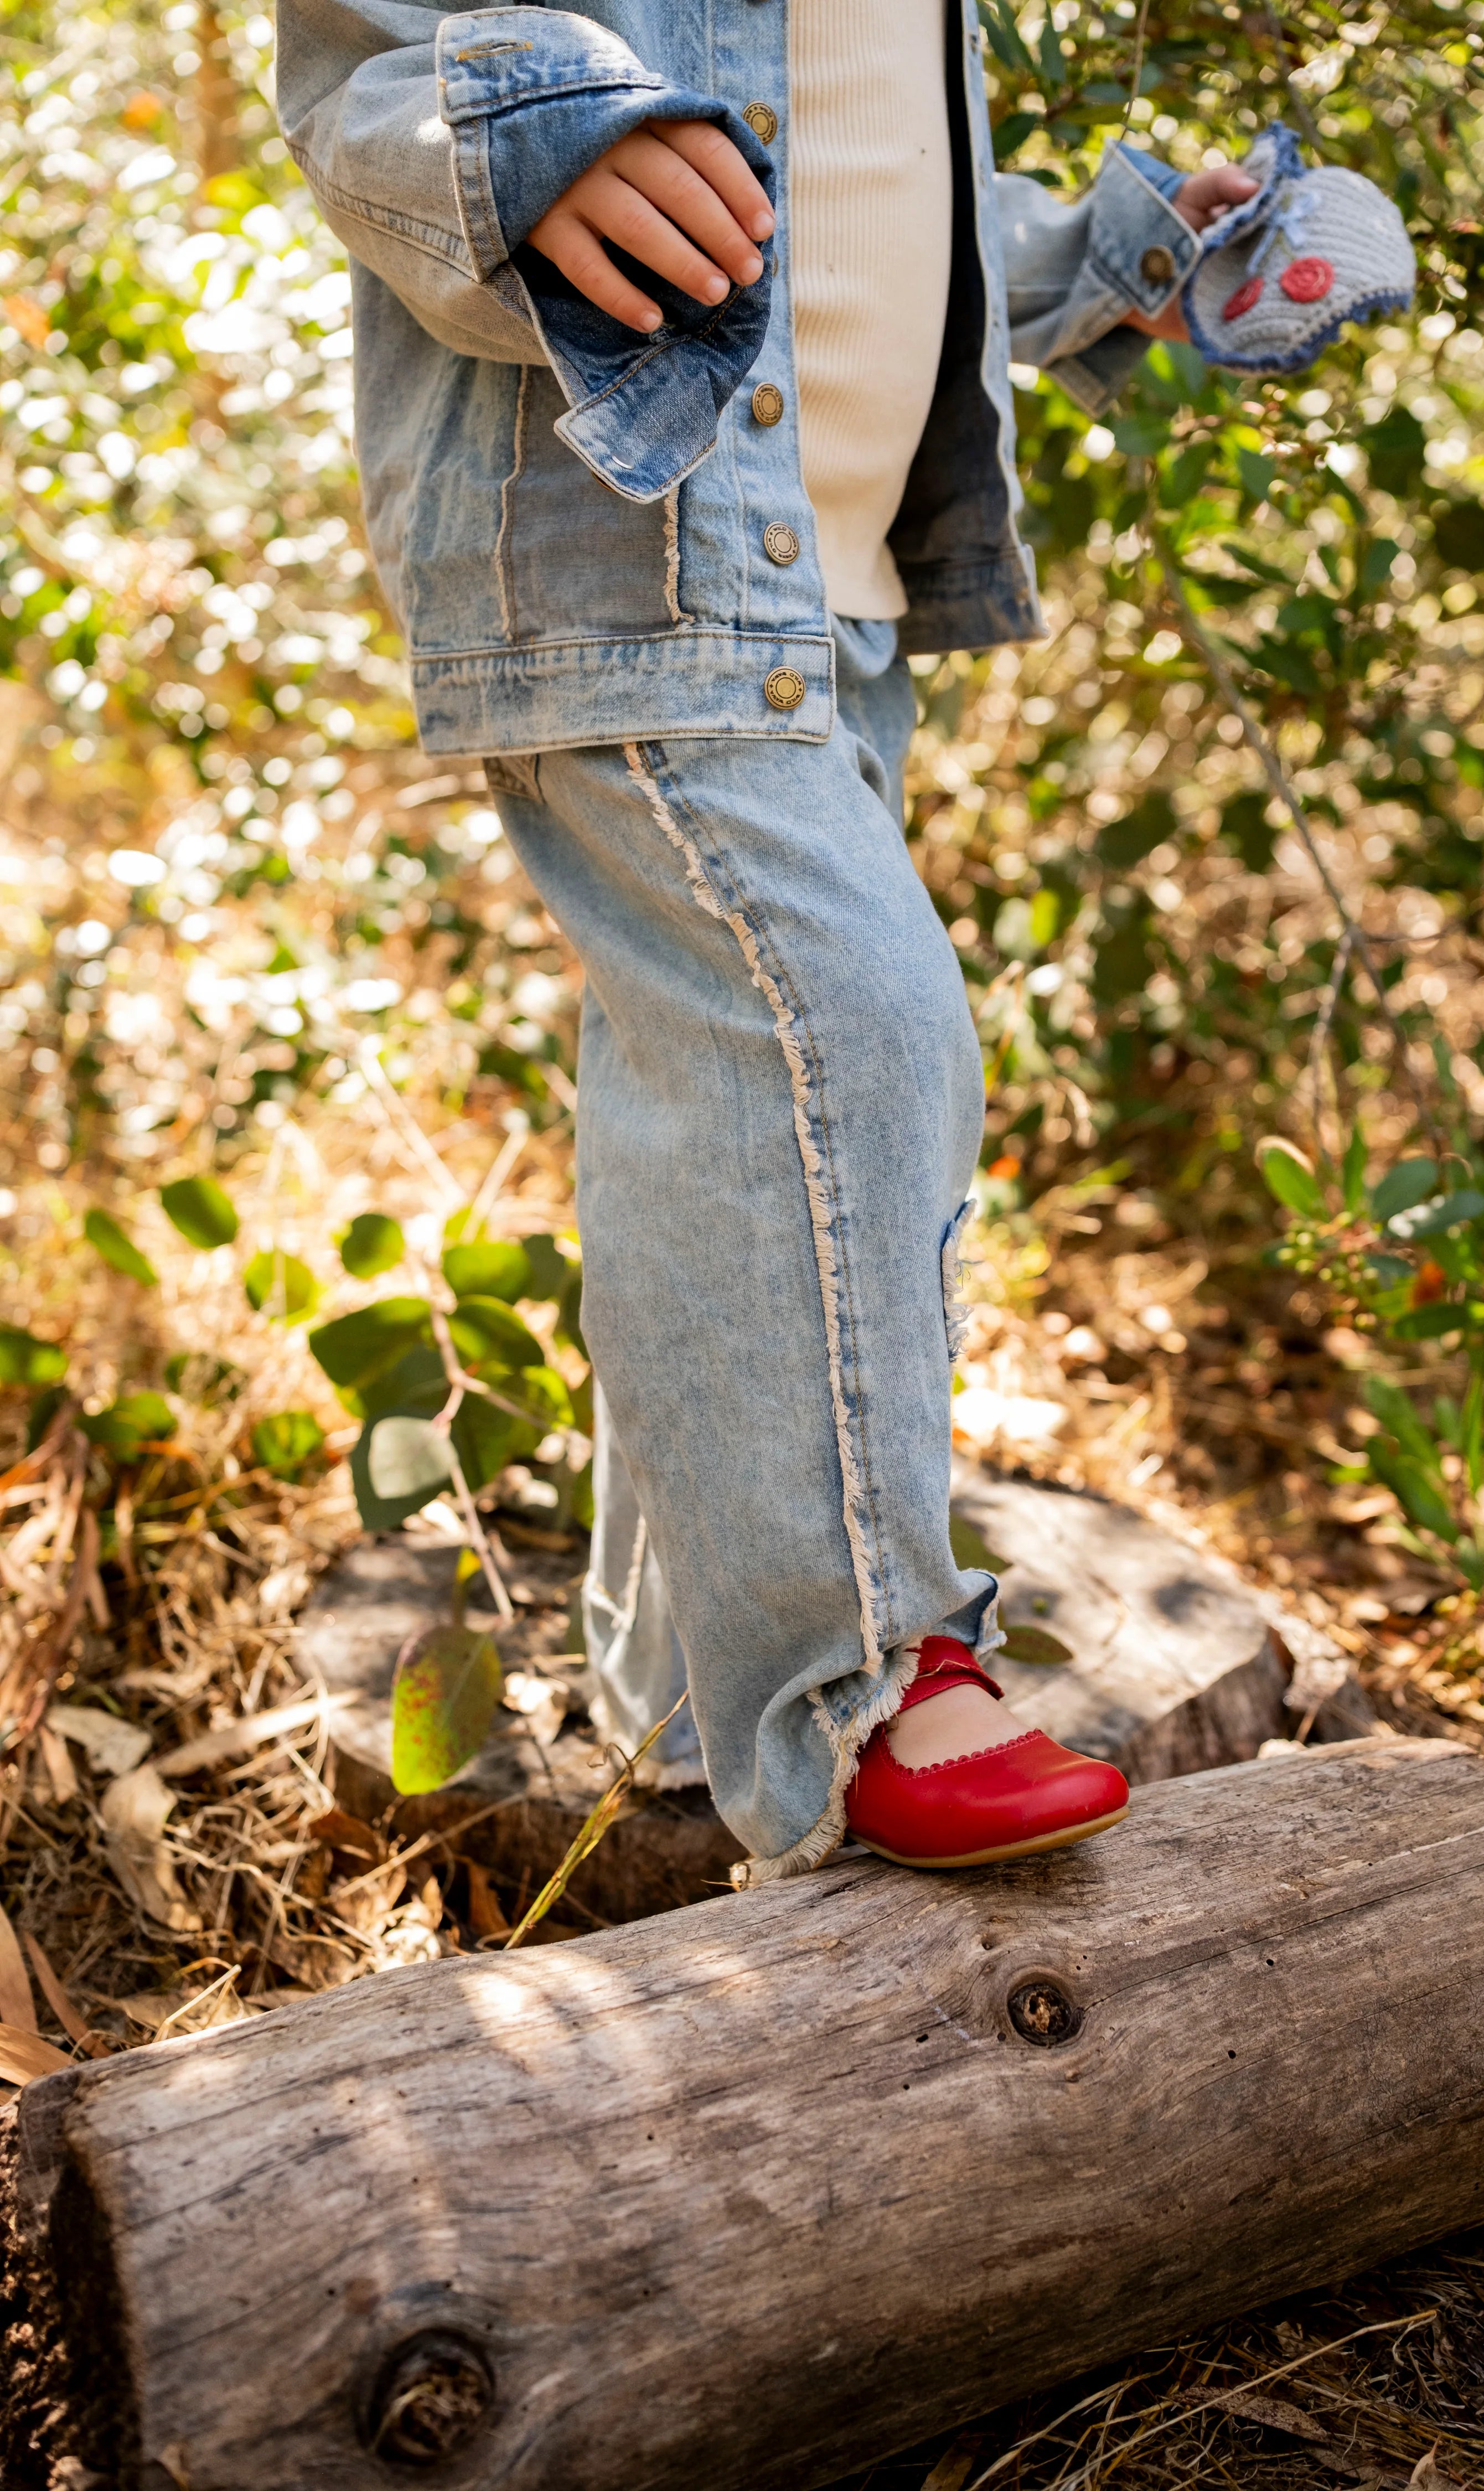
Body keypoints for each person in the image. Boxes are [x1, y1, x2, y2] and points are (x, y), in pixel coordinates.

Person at [277, 0, 1255, 1884]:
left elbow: (888, 197)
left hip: (845, 593)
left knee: (726, 1118)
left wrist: (1134, 256)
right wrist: (541, 144)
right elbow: (358, 75)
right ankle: (866, 1681)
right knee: (851, 1041)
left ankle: (663, 1678)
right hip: (624, 545)